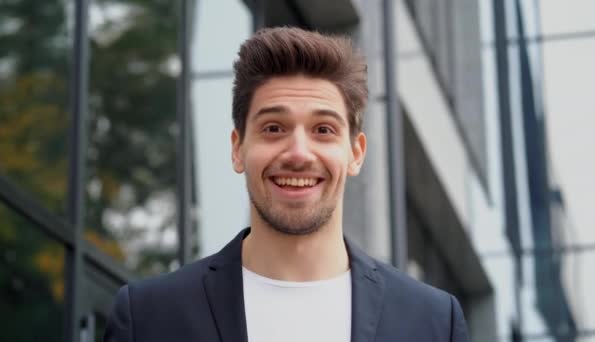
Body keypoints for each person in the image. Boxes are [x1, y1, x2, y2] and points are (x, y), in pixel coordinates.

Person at [104, 27, 468, 342]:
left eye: (323, 130)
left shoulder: (433, 321)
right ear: (238, 149)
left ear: (355, 153)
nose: (298, 153)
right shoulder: (149, 317)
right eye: (273, 128)